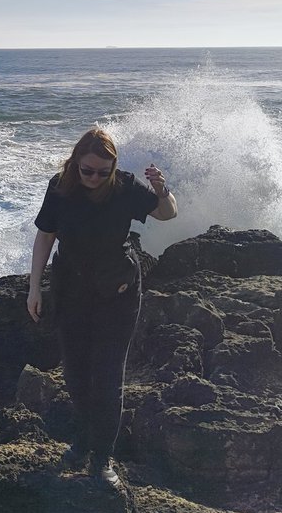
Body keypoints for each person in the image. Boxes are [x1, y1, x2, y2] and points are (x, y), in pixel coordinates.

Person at [26, 128, 177, 488]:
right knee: (76, 375)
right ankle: (82, 440)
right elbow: (45, 235)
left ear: (113, 168)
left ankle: (102, 458)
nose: (94, 178)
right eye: (87, 170)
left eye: (102, 172)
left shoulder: (124, 188)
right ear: (76, 162)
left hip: (118, 291)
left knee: (108, 378)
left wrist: (161, 188)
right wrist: (35, 287)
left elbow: (167, 214)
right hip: (71, 290)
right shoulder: (60, 187)